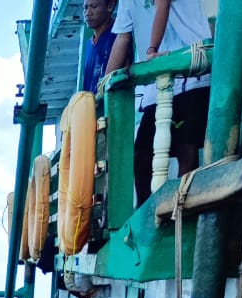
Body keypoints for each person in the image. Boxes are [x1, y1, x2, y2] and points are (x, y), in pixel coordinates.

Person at [103, 0, 211, 203]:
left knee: (185, 148)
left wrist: (152, 48)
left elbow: (163, 4)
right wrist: (104, 84)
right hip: (157, 83)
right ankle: (148, 211)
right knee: (141, 155)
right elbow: (123, 38)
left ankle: (183, 209)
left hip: (191, 69)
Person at [81, 0, 117, 94]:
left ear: (110, 6)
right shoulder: (89, 44)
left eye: (93, 6)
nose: (88, 13)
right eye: (85, 8)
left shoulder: (118, 38)